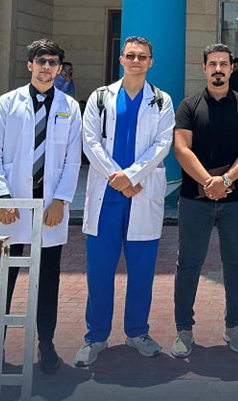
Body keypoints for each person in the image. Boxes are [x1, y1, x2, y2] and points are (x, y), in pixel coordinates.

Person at [0, 38, 82, 374]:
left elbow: (72, 158)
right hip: (12, 204)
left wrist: (61, 200)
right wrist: (1, 195)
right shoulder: (7, 103)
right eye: (41, 61)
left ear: (60, 68)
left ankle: (47, 346)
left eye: (53, 62)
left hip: (49, 206)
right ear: (30, 65)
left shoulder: (70, 107)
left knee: (48, 280)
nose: (46, 67)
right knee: (3, 278)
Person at [75, 36, 174, 367]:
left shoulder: (162, 100)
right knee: (100, 272)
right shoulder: (100, 97)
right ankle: (96, 336)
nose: (136, 61)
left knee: (142, 271)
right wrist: (117, 177)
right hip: (106, 196)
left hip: (141, 192)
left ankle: (137, 332)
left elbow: (163, 144)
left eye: (142, 56)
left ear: (151, 62)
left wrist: (131, 177)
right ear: (121, 59)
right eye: (130, 55)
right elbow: (90, 141)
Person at [171, 43, 238, 357]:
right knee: (188, 264)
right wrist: (207, 182)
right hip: (194, 199)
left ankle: (234, 326)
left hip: (237, 200)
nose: (219, 69)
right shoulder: (188, 105)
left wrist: (225, 181)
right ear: (204, 67)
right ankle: (184, 330)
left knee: (236, 263)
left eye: (224, 64)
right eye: (213, 64)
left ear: (232, 68)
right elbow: (181, 148)